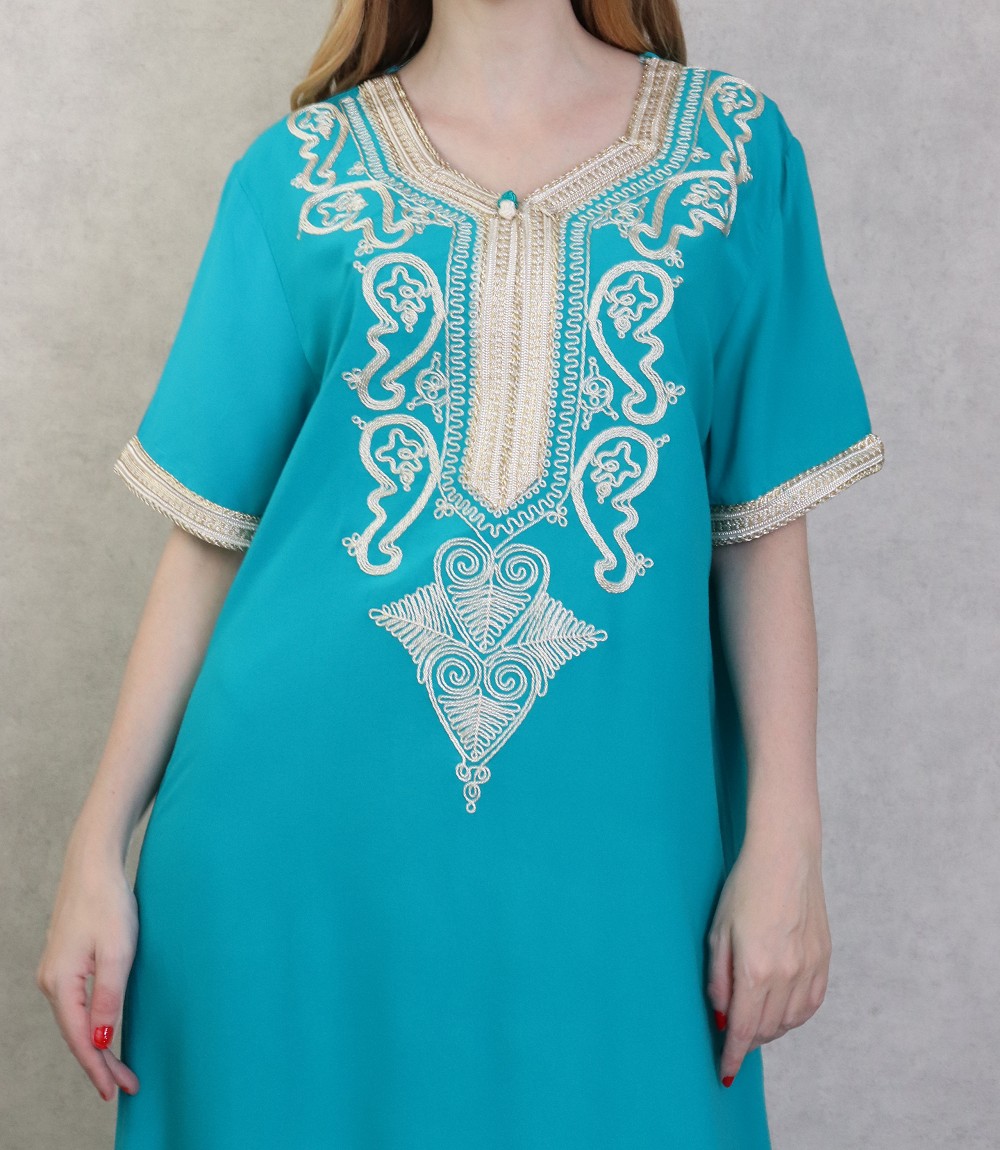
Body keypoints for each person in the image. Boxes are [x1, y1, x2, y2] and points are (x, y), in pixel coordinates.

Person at [35, 0, 885, 1146]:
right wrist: (97, 845)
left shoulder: (731, 154)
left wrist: (788, 836)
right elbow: (210, 542)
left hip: (615, 866)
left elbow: (759, 525)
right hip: (286, 873)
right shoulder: (298, 174)